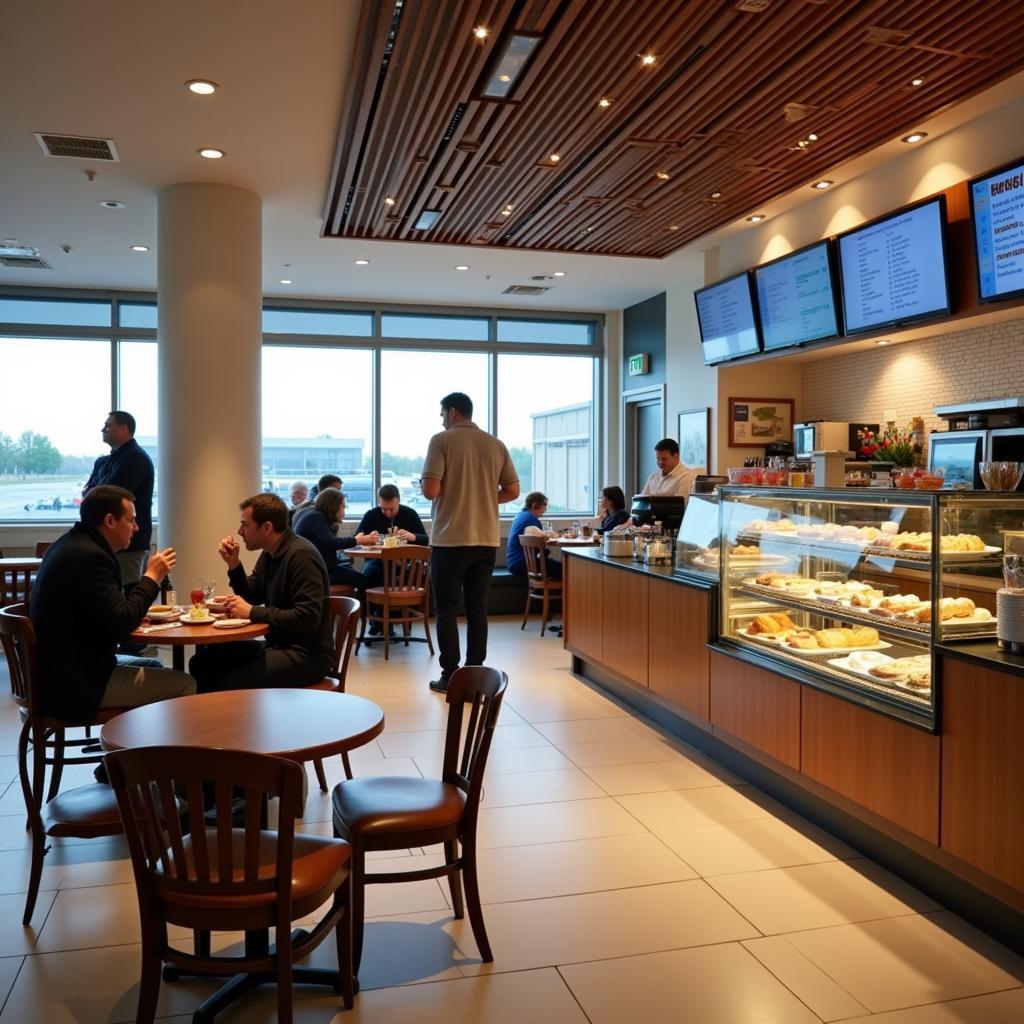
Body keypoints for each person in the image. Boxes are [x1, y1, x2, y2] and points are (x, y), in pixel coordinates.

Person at [28, 484, 195, 724]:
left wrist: (132, 612)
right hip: (75, 686)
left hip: (56, 673)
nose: (136, 528)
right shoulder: (90, 558)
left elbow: (105, 613)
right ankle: (157, 758)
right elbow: (121, 623)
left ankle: (130, 753)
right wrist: (152, 576)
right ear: (110, 521)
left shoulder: (69, 545)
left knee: (154, 665)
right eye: (131, 520)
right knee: (185, 684)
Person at [420, 392, 519, 693]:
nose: (441, 420)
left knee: (447, 609)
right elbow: (513, 490)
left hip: (451, 539)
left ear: (452, 412)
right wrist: (484, 497)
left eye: (441, 414)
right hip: (486, 540)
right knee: (478, 607)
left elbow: (430, 490)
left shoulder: (441, 441)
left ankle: (451, 674)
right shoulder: (496, 444)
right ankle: (476, 672)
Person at [188, 493, 333, 692]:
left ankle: (228, 722)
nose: (240, 531)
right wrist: (234, 565)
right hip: (279, 645)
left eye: (245, 525)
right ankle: (206, 721)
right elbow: (252, 595)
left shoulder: (301, 556)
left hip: (306, 655)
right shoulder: (270, 553)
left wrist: (251, 612)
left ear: (267, 527)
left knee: (229, 681)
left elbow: (308, 618)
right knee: (202, 663)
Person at [83, 410, 155, 589]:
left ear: (124, 429)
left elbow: (106, 498)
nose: (103, 429)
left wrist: (95, 492)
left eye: (108, 426)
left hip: (129, 542)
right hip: (110, 540)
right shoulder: (105, 461)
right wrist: (94, 492)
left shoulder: (134, 458)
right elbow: (89, 495)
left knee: (125, 594)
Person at [293, 488, 377, 591]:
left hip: (319, 567)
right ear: (333, 506)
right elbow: (332, 543)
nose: (344, 510)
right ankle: (362, 607)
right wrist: (358, 540)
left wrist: (356, 539)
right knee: (365, 581)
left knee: (355, 573)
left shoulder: (315, 515)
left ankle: (355, 605)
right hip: (314, 572)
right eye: (343, 506)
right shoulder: (315, 518)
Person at [356, 483, 429, 589]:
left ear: (398, 501)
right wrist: (367, 538)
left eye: (391, 509)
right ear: (379, 502)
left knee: (419, 575)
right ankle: (371, 605)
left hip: (405, 561)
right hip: (376, 561)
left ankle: (409, 604)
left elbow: (426, 540)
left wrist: (412, 536)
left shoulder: (410, 514)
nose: (388, 513)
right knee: (368, 574)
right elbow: (357, 537)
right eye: (384, 509)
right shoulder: (371, 515)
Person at [506, 491, 561, 580]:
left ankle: (541, 591)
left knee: (553, 565)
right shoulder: (531, 520)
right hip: (524, 564)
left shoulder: (521, 516)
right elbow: (541, 546)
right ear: (534, 505)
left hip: (514, 562)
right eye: (544, 505)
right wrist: (552, 535)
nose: (545, 509)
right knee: (564, 569)